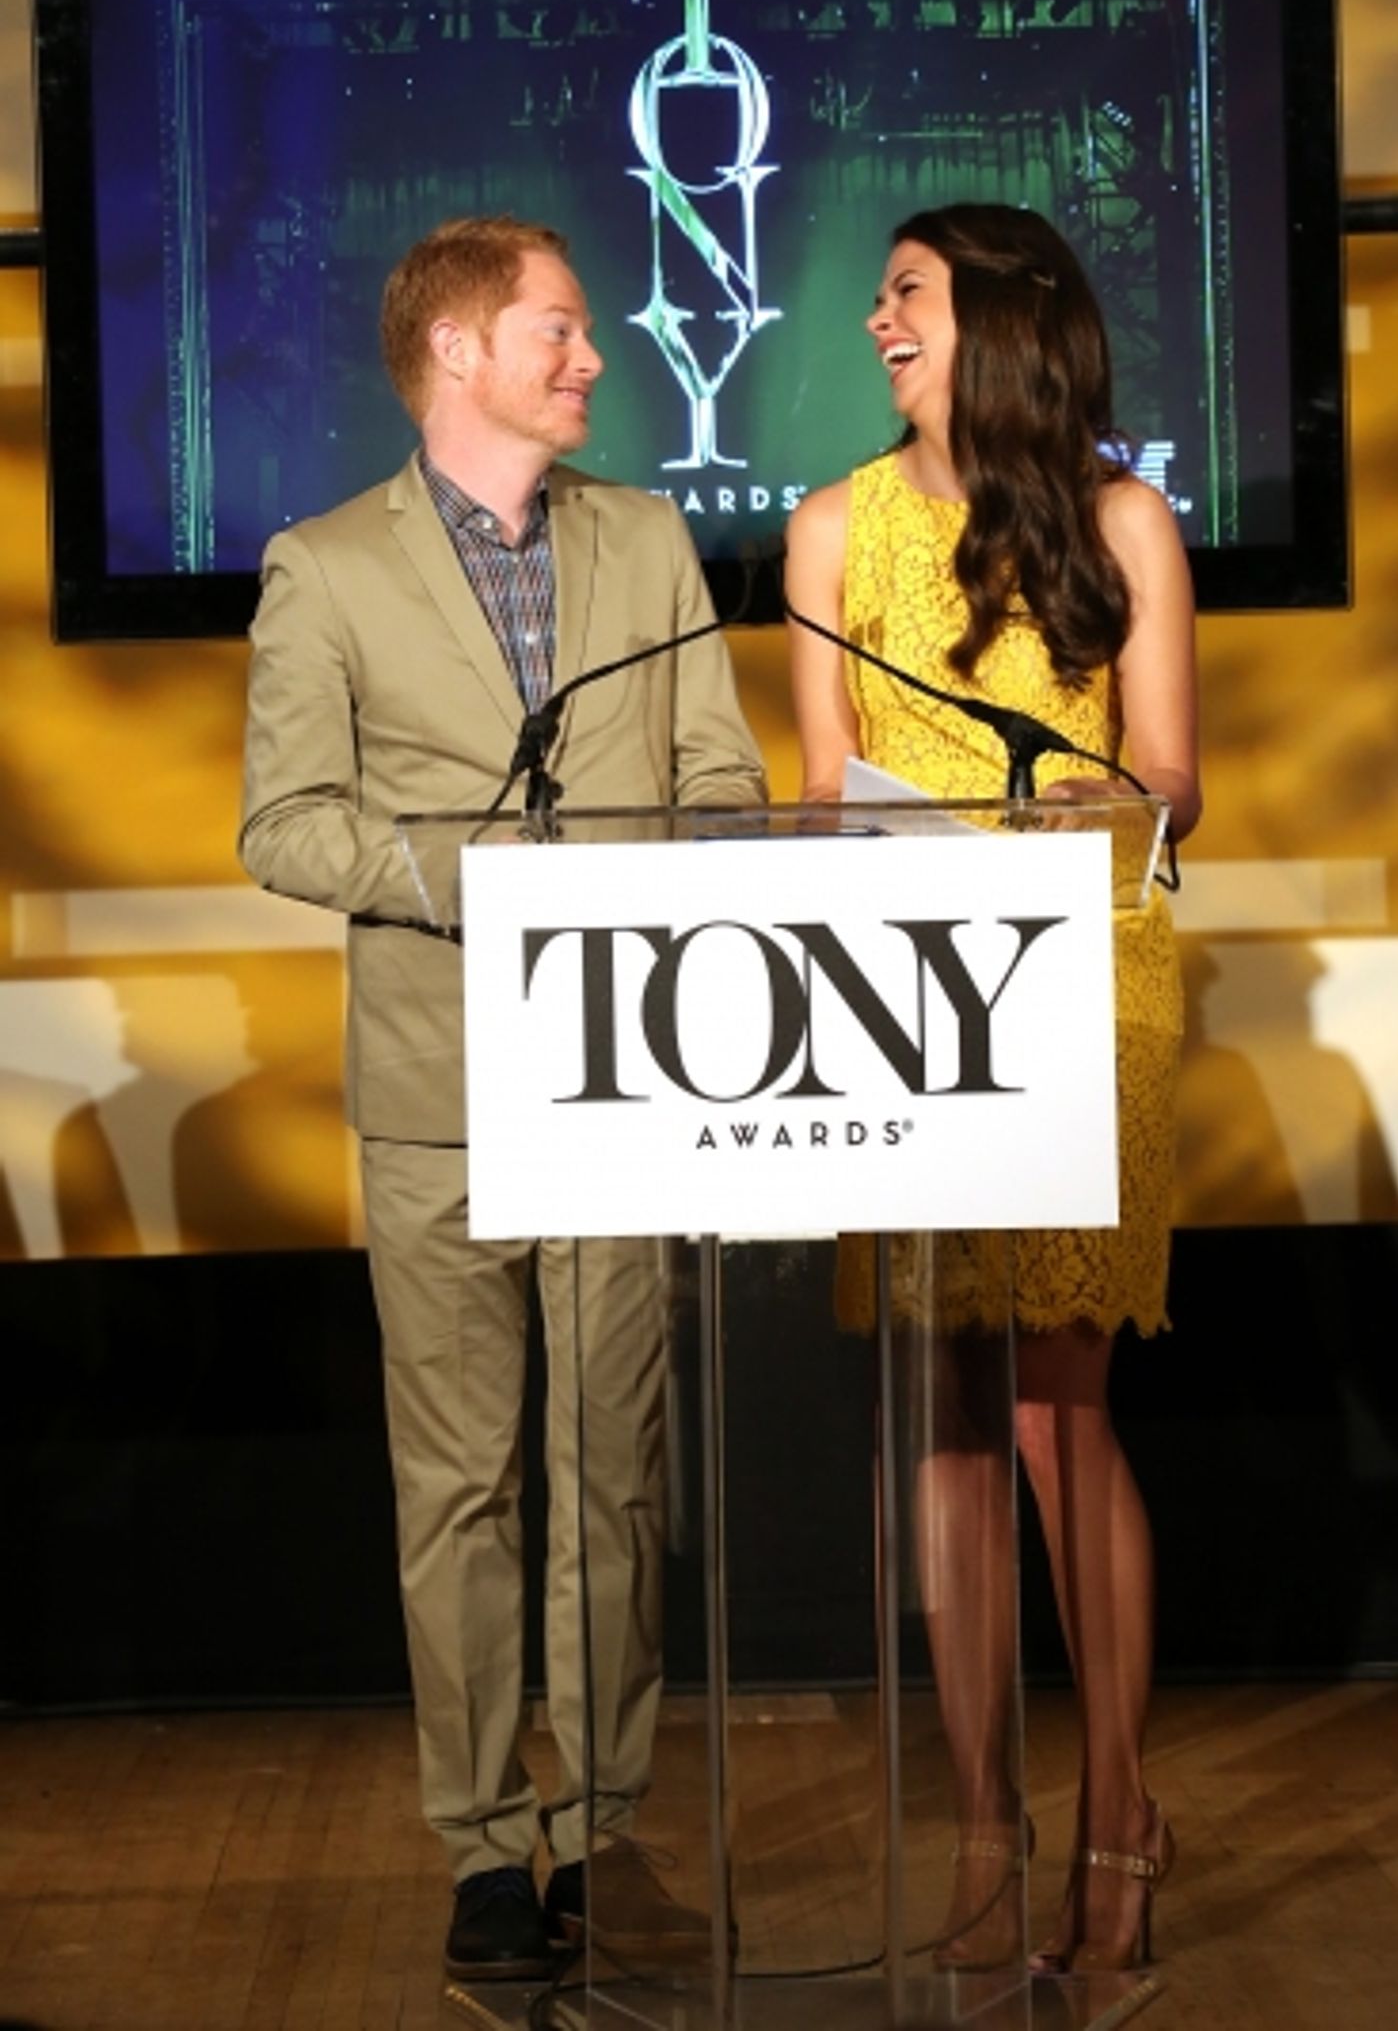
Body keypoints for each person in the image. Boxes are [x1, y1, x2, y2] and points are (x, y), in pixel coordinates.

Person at [239, 216, 767, 1981]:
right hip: (440, 1089)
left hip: (626, 1077)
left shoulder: (648, 538)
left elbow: (719, 773)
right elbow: (283, 824)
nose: (594, 357)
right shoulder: (325, 567)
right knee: (460, 1484)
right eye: (561, 329)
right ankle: (481, 1844)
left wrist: (676, 872)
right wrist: (488, 880)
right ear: (458, 351)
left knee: (615, 1475)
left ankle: (601, 1829)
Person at [785, 203, 1201, 1975]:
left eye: (910, 294)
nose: (879, 320)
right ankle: (981, 1828)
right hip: (905, 1001)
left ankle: (1117, 1815)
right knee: (948, 1419)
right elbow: (824, 784)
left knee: (1053, 1416)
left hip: (1083, 990)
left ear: (1006, 320)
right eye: (883, 296)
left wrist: (1114, 803)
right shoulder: (830, 529)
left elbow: (1176, 776)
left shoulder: (1122, 521)